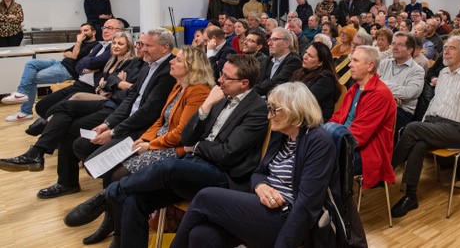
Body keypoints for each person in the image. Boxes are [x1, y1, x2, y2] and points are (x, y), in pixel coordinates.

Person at [102, 54, 269, 248]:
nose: (219, 80)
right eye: (221, 74)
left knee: (168, 167)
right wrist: (205, 106)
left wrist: (198, 146)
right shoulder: (220, 96)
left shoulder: (257, 109)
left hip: (222, 175)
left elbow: (226, 154)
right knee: (135, 200)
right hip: (195, 166)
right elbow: (188, 138)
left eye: (226, 77)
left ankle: (108, 193)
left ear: (244, 83)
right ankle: (113, 196)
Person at [63, 46, 214, 245]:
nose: (171, 62)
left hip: (173, 150)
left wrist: (151, 145)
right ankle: (114, 226)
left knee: (118, 175)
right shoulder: (179, 86)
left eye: (177, 60)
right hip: (157, 141)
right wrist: (144, 139)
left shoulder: (198, 91)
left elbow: (180, 135)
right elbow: (160, 121)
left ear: (191, 66)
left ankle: (110, 216)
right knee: (111, 170)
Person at [170, 82, 336, 248]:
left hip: (288, 218)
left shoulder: (318, 141)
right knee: (202, 235)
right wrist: (261, 186)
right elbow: (259, 172)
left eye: (273, 110)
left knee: (204, 197)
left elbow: (307, 205)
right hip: (263, 208)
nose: (269, 116)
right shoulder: (282, 135)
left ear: (293, 110)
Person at [0, 32, 137, 179]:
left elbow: (122, 87)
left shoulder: (130, 62)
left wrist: (111, 82)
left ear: (129, 46)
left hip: (109, 102)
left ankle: (40, 143)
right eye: (114, 43)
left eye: (120, 43)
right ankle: (38, 152)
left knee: (70, 105)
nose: (115, 46)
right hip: (100, 94)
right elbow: (84, 66)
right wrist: (111, 82)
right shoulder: (110, 58)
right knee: (51, 106)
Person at [390, 35, 460, 218]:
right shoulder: (444, 73)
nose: (446, 50)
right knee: (418, 142)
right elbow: (435, 103)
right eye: (445, 47)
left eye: (452, 48)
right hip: (438, 125)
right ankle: (410, 196)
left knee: (412, 128)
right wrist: (424, 126)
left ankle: (387, 169)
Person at [329, 45, 395, 189]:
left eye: (355, 61)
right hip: (344, 142)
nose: (350, 65)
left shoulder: (380, 93)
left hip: (366, 153)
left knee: (318, 162)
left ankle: (336, 208)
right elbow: (338, 117)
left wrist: (326, 139)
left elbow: (358, 136)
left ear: (370, 65)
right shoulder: (354, 88)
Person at [3, 23, 99, 121]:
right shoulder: (82, 43)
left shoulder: (95, 45)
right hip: (58, 63)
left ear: (94, 32)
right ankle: (21, 93)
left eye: (85, 31)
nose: (82, 33)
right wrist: (74, 50)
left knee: (31, 78)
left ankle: (25, 111)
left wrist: (78, 42)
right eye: (81, 31)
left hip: (66, 70)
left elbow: (74, 56)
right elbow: (66, 53)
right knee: (31, 63)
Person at [378, 32, 425, 132]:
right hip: (380, 103)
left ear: (410, 50)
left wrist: (381, 86)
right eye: (393, 44)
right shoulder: (384, 63)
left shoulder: (417, 70)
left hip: (401, 112)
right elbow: (370, 83)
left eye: (400, 45)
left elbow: (408, 93)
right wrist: (390, 96)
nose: (394, 48)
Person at [291, 42, 341, 122]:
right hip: (297, 115)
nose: (305, 57)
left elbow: (305, 101)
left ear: (320, 62)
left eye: (310, 56)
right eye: (306, 53)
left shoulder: (326, 79)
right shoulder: (299, 72)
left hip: (313, 122)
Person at [255, 28, 302, 96]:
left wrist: (251, 91)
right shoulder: (268, 60)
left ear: (286, 43)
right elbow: (258, 80)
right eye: (270, 40)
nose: (269, 43)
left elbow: (276, 82)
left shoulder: (294, 61)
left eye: (274, 40)